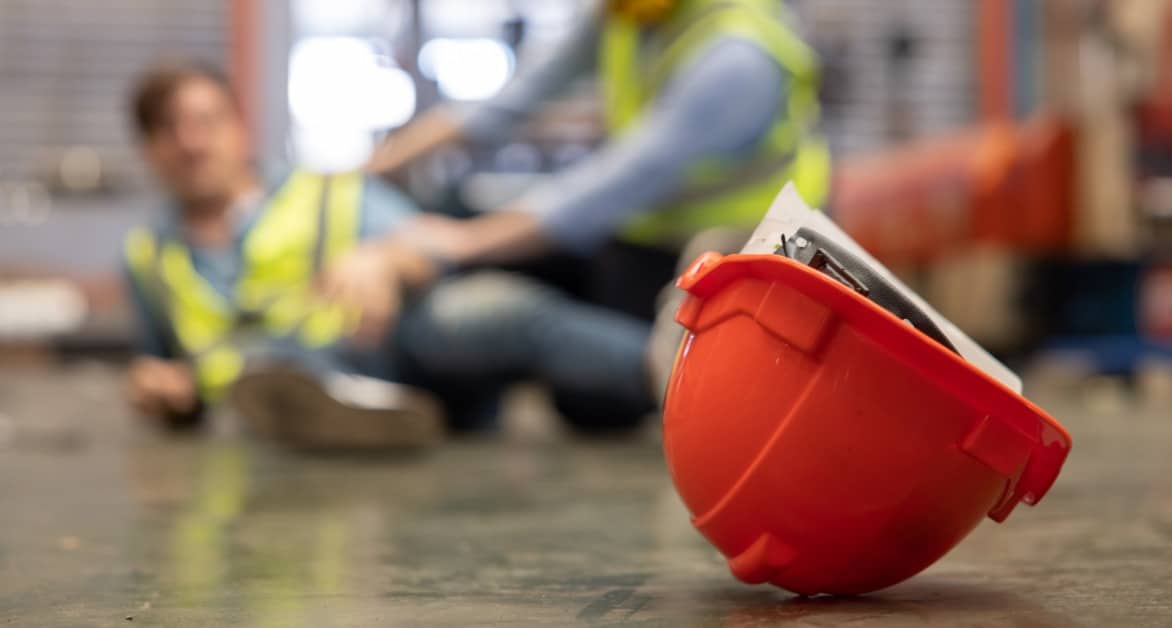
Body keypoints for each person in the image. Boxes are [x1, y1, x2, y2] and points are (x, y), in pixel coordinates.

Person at [121, 61, 654, 446]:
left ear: (239, 128)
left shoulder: (324, 191)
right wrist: (164, 392)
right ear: (148, 149)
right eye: (170, 129)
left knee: (491, 308)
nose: (191, 143)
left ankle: (671, 371)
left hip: (391, 351)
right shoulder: (147, 258)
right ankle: (331, 401)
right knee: (279, 373)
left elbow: (431, 247)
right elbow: (166, 370)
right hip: (264, 400)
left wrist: (384, 260)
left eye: (206, 121)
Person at [335, 0, 831, 322]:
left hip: (733, 267)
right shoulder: (632, 14)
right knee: (458, 230)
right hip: (640, 238)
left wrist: (462, 244)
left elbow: (614, 184)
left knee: (537, 336)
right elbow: (507, 104)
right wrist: (367, 170)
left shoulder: (738, 56)